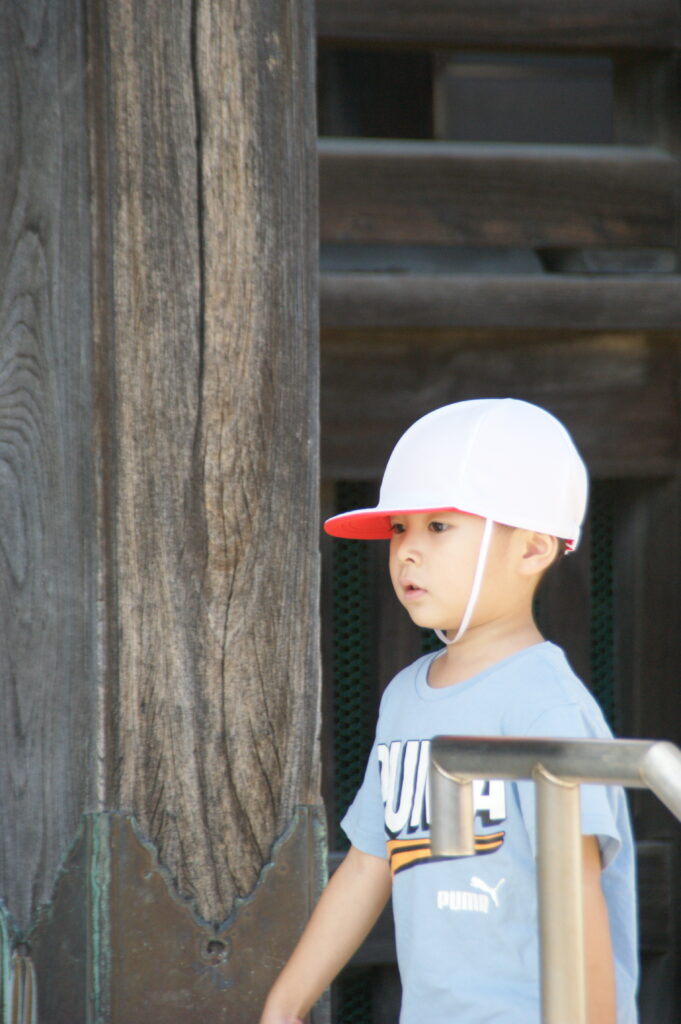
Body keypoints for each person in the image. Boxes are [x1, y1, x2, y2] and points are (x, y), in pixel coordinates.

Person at [260, 398, 638, 1024]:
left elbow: (577, 889)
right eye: (398, 528)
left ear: (532, 549)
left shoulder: (545, 704)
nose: (406, 551)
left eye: (438, 527)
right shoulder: (404, 696)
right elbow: (370, 862)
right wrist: (285, 1003)